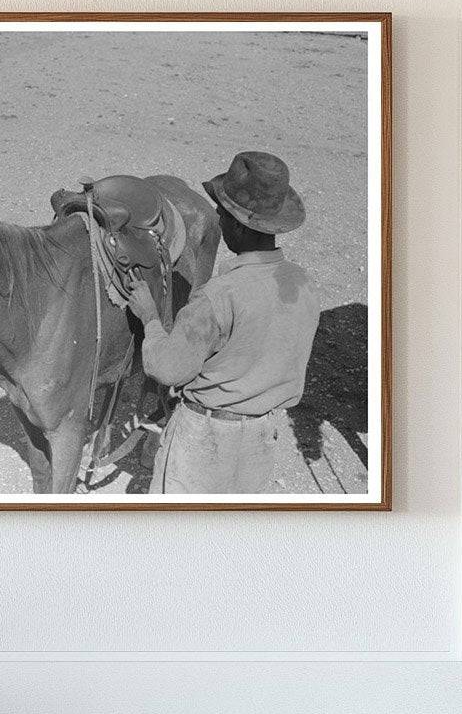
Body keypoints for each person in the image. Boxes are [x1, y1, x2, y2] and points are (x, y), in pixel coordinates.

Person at [127, 151, 320, 494]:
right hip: (260, 439)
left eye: (221, 212)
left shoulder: (219, 296)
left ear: (235, 224)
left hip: (204, 439)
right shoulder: (302, 283)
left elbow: (168, 369)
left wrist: (150, 318)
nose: (217, 216)